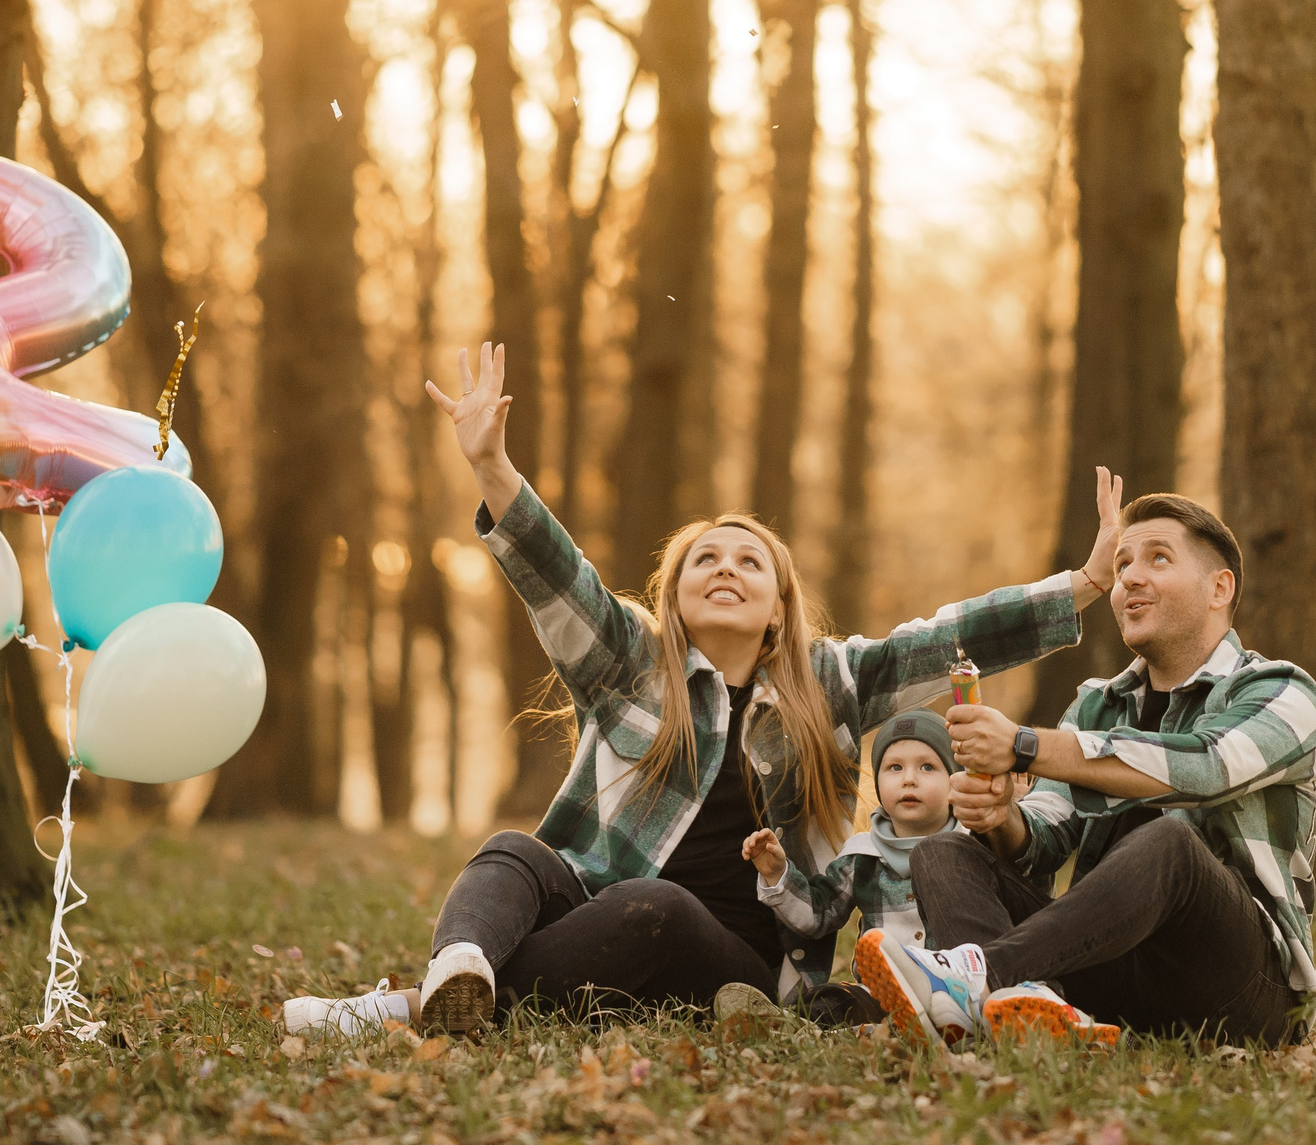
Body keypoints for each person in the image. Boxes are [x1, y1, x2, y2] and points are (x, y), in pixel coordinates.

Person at [285, 344, 1120, 1039]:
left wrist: (1083, 585)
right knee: (516, 852)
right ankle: (454, 973)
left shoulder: (831, 683)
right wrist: (491, 465)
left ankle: (393, 1011)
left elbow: (946, 636)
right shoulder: (629, 663)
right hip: (590, 919)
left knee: (658, 905)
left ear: (778, 605)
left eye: (749, 561)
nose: (725, 569)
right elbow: (557, 576)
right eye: (704, 560)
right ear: (675, 595)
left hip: (732, 965)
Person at [850, 492, 1316, 1050]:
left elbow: (1206, 767)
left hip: (1242, 990)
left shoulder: (1283, 691)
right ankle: (1024, 1013)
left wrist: (1024, 746)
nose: (1131, 578)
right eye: (1122, 565)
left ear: (1219, 589)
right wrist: (1002, 817)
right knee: (943, 850)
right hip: (1111, 973)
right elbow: (1045, 837)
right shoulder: (1096, 704)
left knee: (1171, 841)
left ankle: (979, 979)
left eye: (1158, 558)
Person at [736, 709, 1046, 1031]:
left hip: (956, 992)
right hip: (882, 995)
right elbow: (818, 916)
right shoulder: (861, 855)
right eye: (895, 767)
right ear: (878, 781)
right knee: (832, 1001)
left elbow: (1024, 896)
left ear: (955, 781)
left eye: (928, 767)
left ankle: (947, 1019)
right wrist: (778, 874)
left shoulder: (976, 846)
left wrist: (1013, 812)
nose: (909, 779)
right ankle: (783, 1024)